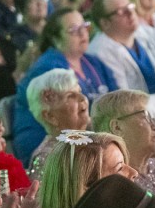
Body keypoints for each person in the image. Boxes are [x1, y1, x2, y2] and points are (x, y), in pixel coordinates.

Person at [12, 8, 116, 162]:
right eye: (74, 30)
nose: (82, 33)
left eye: (84, 27)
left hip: (85, 135)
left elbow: (116, 99)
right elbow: (65, 120)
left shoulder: (92, 61)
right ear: (55, 38)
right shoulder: (48, 69)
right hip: (49, 145)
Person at [87, 0, 155, 148]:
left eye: (130, 7)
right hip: (140, 129)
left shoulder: (149, 34)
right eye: (121, 11)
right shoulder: (99, 52)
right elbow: (123, 100)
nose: (130, 13)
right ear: (105, 23)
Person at [25, 69, 90, 173]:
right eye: (70, 96)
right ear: (50, 116)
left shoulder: (95, 137)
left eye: (79, 92)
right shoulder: (48, 158)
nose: (82, 98)